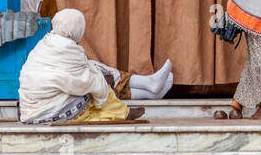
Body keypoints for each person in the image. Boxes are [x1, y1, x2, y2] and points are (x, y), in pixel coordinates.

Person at [18, 9, 174, 124]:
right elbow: (87, 83)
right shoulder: (68, 50)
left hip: (30, 112)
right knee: (99, 82)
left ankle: (149, 86)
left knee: (95, 70)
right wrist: (103, 93)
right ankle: (126, 108)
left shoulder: (46, 43)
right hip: (48, 113)